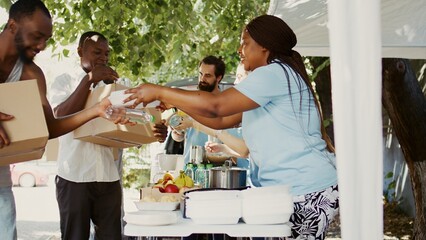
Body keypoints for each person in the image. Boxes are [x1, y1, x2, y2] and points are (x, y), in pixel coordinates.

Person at [124, 15, 339, 239]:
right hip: (292, 190)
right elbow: (221, 120)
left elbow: (217, 106)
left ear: (264, 45)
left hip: (306, 188)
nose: (240, 49)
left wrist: (159, 91)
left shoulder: (273, 73)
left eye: (245, 42)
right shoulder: (277, 75)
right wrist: (177, 102)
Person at [0, 1, 111, 239]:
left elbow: (49, 127)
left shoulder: (31, 74)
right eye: (37, 36)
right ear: (12, 26)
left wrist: (96, 110)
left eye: (47, 39)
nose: (42, 46)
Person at [49, 31, 168, 240]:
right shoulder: (65, 81)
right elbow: (59, 116)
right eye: (97, 52)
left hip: (108, 175)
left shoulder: (115, 87)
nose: (103, 58)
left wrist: (154, 131)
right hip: (74, 175)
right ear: (80, 52)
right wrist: (89, 81)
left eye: (106, 53)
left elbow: (136, 123)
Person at [170, 55, 225, 166]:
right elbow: (178, 137)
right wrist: (177, 132)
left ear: (218, 77)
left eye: (208, 75)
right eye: (200, 74)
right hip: (191, 168)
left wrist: (192, 123)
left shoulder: (225, 104)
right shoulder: (190, 101)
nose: (202, 79)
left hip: (217, 169)